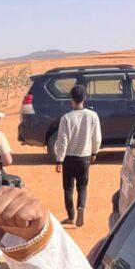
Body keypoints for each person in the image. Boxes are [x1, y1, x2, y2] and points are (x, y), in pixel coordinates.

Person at [54, 83, 102, 227]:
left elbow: (62, 141)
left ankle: (71, 217)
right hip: (84, 157)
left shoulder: (66, 118)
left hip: (69, 159)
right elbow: (96, 137)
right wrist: (94, 152)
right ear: (84, 98)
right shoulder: (92, 116)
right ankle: (81, 206)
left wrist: (59, 160)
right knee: (82, 187)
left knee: (68, 189)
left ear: (71, 99)